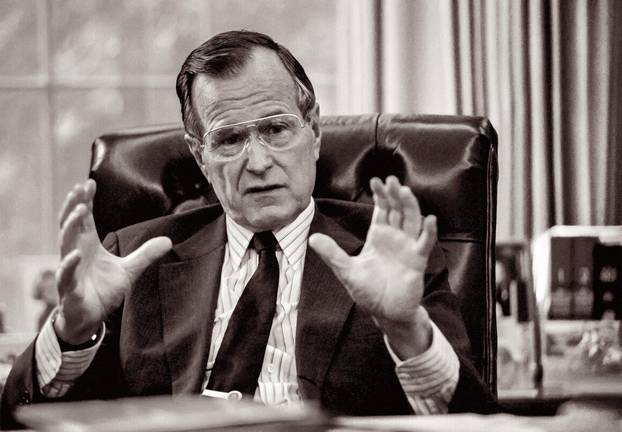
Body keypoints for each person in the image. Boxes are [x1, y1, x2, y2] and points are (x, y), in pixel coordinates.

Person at [1, 30, 495, 429]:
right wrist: (72, 332)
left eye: (277, 129)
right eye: (230, 139)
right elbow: (19, 416)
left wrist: (406, 329)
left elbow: (470, 418)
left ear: (314, 132)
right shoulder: (134, 258)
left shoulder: (387, 250)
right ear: (200, 155)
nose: (257, 162)